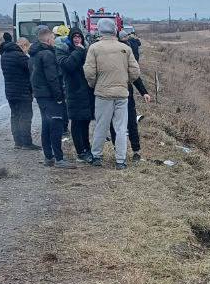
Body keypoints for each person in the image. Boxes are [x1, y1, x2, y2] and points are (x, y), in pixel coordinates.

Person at [84, 17, 141, 170]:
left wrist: (95, 84)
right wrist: (125, 81)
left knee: (101, 125)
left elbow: (89, 72)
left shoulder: (94, 48)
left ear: (100, 30)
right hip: (122, 93)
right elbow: (135, 72)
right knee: (121, 128)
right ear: (115, 30)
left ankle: (96, 155)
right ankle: (120, 160)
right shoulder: (125, 48)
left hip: (103, 93)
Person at [28, 26, 75, 168]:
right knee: (55, 126)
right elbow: (52, 78)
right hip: (50, 96)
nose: (54, 40)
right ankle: (59, 159)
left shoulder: (35, 54)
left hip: (41, 95)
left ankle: (49, 157)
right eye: (53, 38)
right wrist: (59, 96)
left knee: (46, 125)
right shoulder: (47, 55)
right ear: (48, 40)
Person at [113, 26, 152, 161]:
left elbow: (135, 75)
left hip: (126, 93)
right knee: (116, 124)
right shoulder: (108, 54)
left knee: (130, 122)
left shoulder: (127, 53)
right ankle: (118, 151)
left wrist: (144, 92)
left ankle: (135, 151)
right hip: (113, 94)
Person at [59, 28, 96, 163]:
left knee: (85, 121)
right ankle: (80, 151)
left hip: (87, 91)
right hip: (74, 91)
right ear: (70, 38)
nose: (77, 39)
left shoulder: (86, 50)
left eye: (79, 36)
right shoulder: (64, 50)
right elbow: (68, 65)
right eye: (74, 37)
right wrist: (78, 51)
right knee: (76, 121)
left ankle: (87, 148)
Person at [0, 32, 38, 150]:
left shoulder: (4, 55)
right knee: (26, 116)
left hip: (10, 91)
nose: (27, 51)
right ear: (23, 45)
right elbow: (32, 70)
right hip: (23, 91)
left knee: (15, 116)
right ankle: (27, 143)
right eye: (27, 48)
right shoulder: (20, 56)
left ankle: (18, 142)